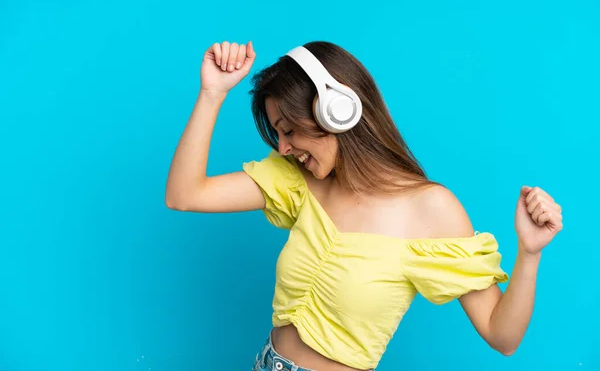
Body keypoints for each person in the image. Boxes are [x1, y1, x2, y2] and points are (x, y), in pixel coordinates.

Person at [165, 40, 563, 371]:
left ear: (337, 112)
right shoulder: (299, 181)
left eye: (288, 131)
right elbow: (185, 195)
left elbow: (502, 336)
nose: (283, 147)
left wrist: (529, 254)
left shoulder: (430, 209)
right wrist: (212, 93)